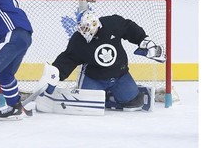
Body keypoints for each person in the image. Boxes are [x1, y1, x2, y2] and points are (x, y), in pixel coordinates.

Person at [35, 8, 165, 112]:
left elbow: (128, 27)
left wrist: (144, 41)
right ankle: (105, 94)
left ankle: (111, 95)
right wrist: (55, 72)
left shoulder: (112, 23)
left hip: (119, 74)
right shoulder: (78, 39)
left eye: (86, 27)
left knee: (135, 103)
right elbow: (69, 57)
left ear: (94, 23)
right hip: (94, 77)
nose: (83, 31)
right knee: (86, 107)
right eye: (81, 28)